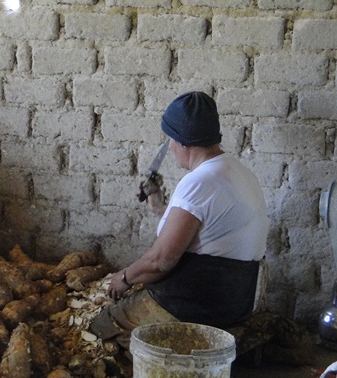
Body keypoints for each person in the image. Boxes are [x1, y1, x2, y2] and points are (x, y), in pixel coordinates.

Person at [89, 91, 270, 351]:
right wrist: (158, 206)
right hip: (236, 301)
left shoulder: (199, 181)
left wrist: (125, 277)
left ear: (183, 142)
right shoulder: (238, 172)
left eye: (171, 141)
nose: (171, 149)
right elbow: (201, 233)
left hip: (198, 306)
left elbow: (162, 260)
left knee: (102, 327)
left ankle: (173, 351)